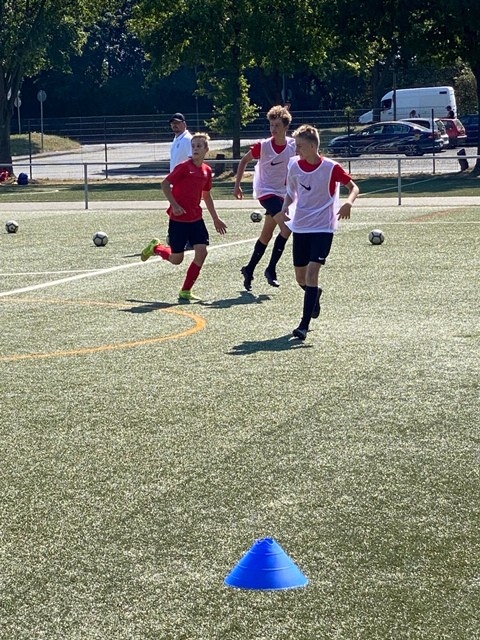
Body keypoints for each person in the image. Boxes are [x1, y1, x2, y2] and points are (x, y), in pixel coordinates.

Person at [279, 124, 360, 341]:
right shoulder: (294, 166)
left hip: (323, 227)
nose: (297, 150)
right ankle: (315, 293)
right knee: (300, 277)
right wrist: (286, 205)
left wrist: (348, 203)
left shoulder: (331, 167)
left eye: (300, 146)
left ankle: (303, 326)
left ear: (313, 146)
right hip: (301, 227)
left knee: (312, 272)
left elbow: (354, 187)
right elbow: (291, 192)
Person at [140, 133, 227, 300]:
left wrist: (216, 218)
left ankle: (185, 291)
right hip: (178, 220)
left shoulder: (207, 171)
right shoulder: (183, 167)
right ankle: (156, 248)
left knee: (202, 252)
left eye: (199, 146)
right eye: (193, 146)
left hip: (196, 219)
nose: (195, 149)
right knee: (176, 259)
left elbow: (206, 195)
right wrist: (174, 205)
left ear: (206, 149)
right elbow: (165, 184)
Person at [234, 105, 297, 291]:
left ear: (286, 127)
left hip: (282, 193)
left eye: (277, 125)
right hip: (265, 191)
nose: (273, 129)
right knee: (286, 228)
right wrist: (237, 185)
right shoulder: (263, 146)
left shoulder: (293, 145)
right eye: (271, 125)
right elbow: (244, 161)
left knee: (267, 234)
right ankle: (271, 269)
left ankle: (249, 269)